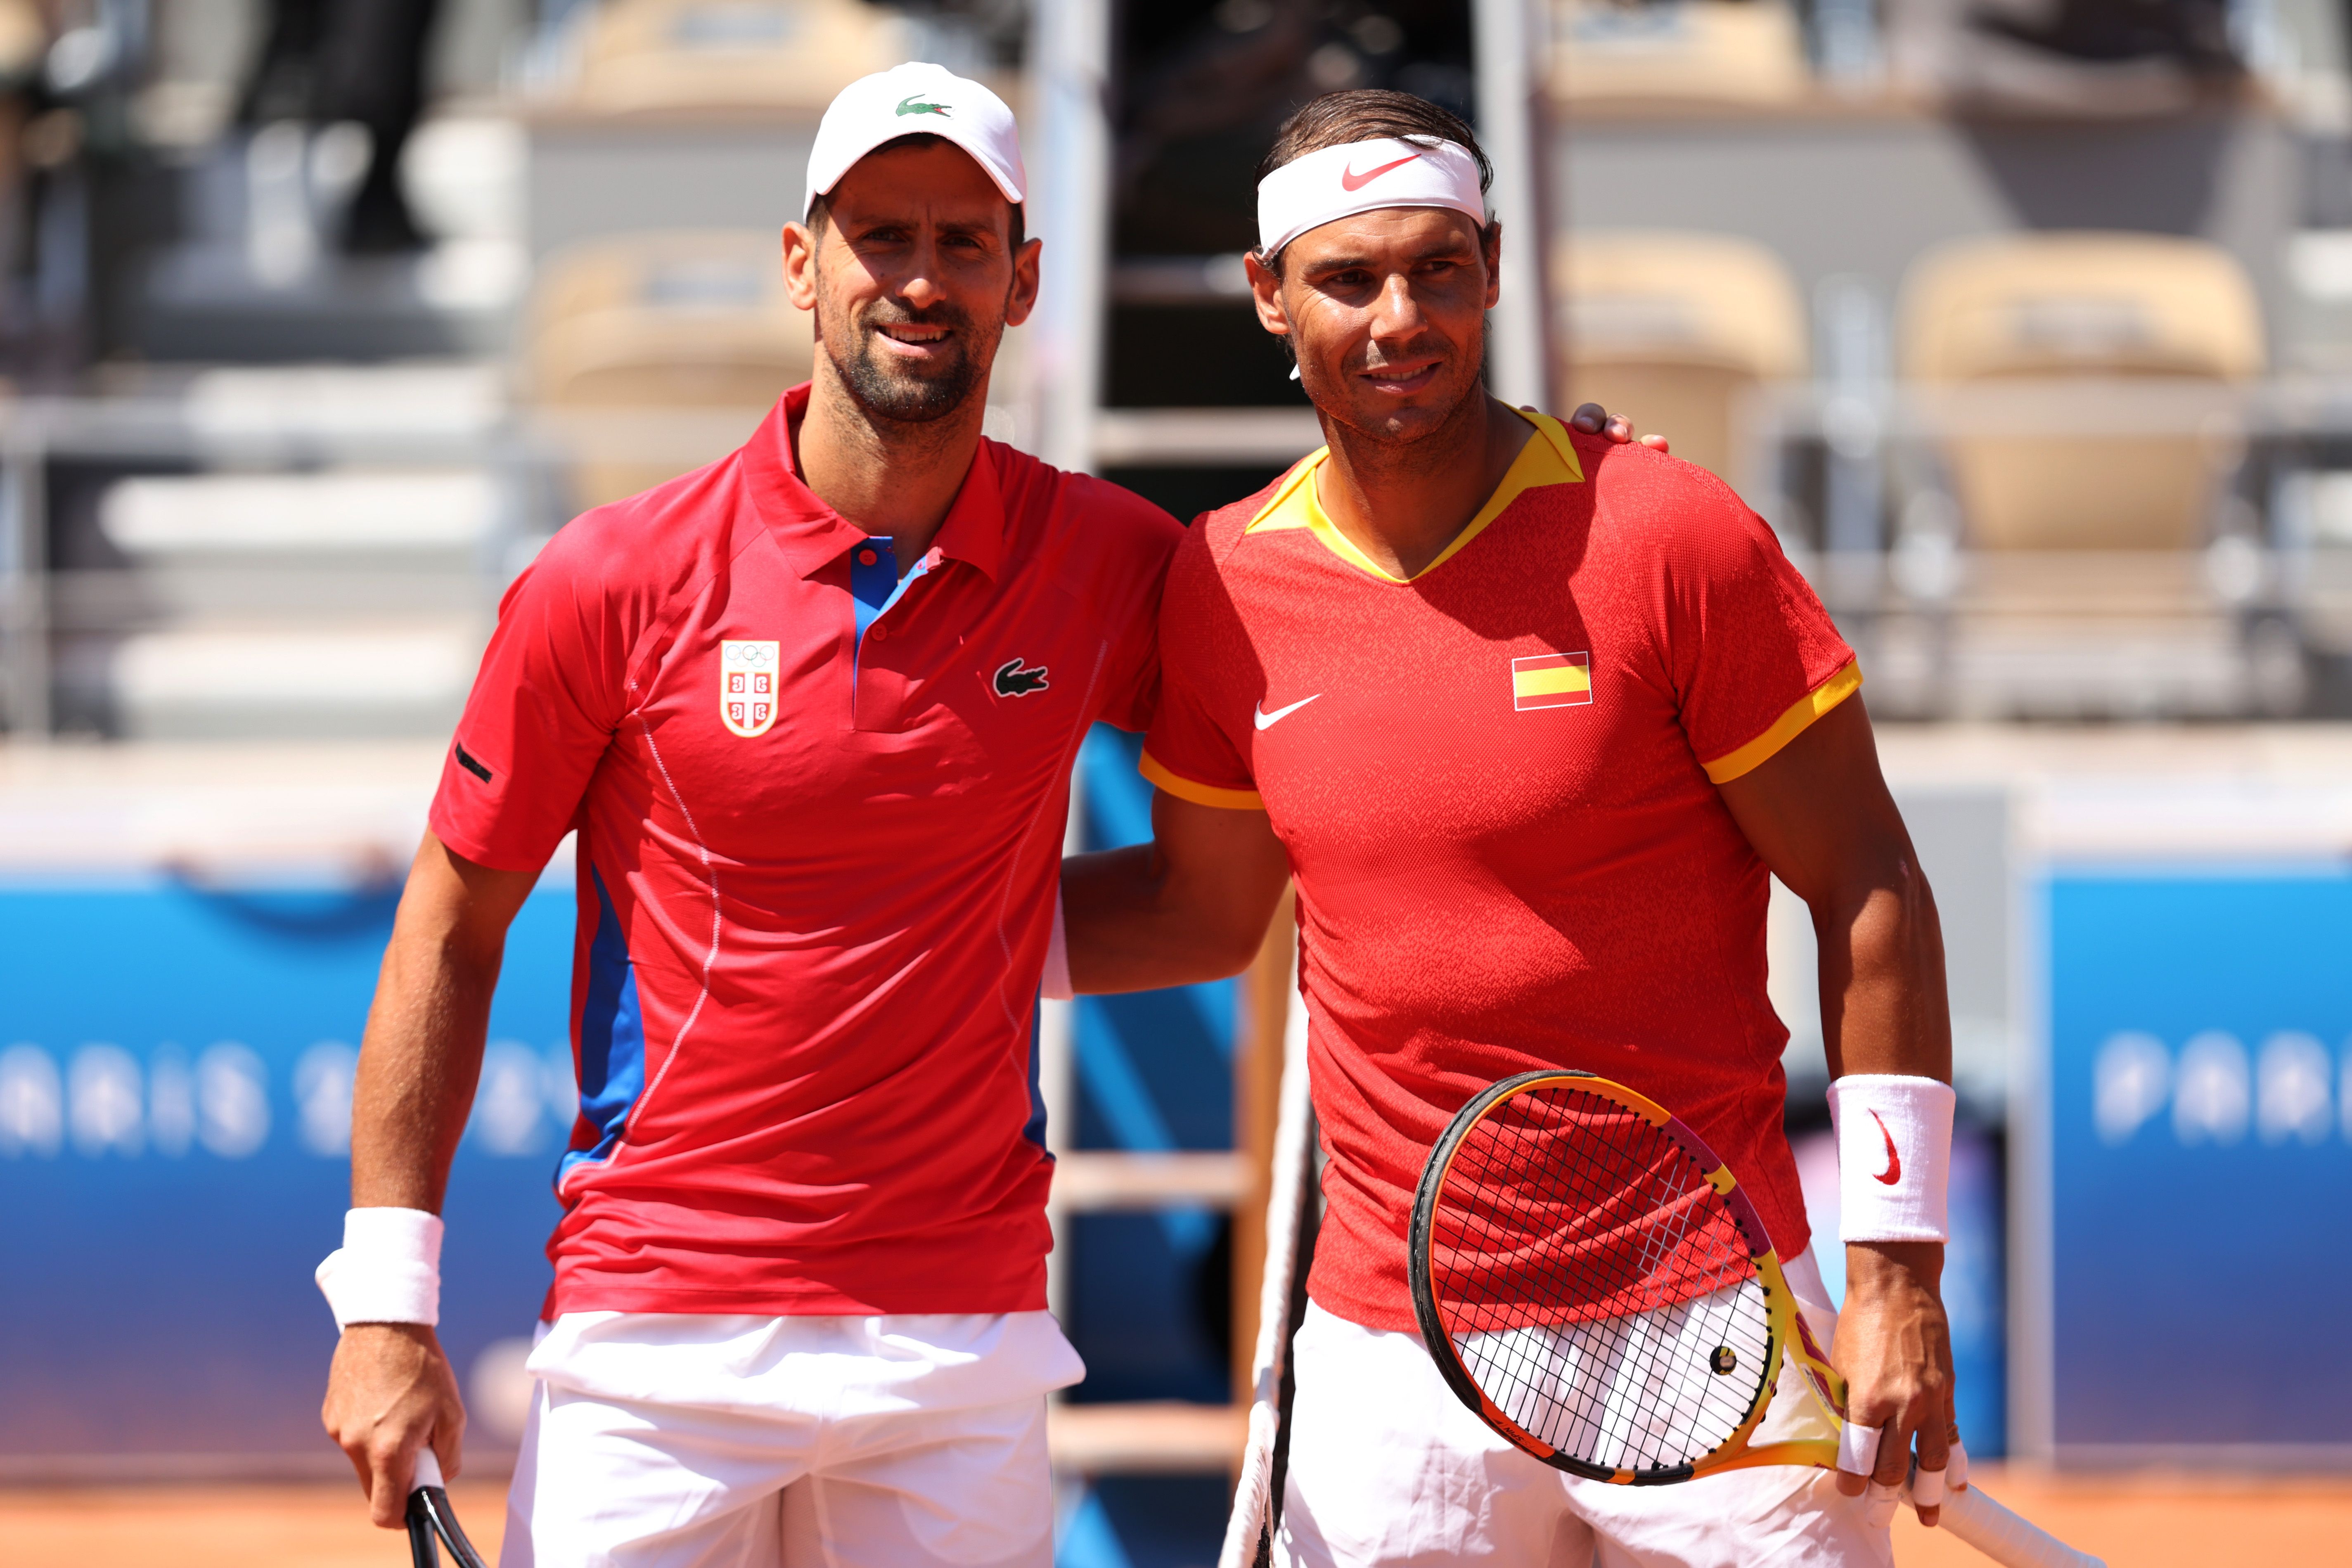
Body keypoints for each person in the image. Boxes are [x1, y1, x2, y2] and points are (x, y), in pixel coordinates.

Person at [309, 56, 1663, 1568]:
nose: (921, 278)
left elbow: (1351, 666)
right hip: (655, 1338)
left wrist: (1552, 507)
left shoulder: (1111, 558)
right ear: (801, 266)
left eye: (965, 243)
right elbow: (448, 924)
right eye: (881, 235)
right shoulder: (608, 582)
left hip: (963, 1346)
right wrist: (384, 1303)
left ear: (1024, 284)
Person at [1062, 89, 1959, 1568]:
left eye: (1440, 268)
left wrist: (1897, 1277)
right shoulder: (1221, 589)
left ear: (1492, 267)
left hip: (1710, 1311)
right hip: (1390, 1354)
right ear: (1270, 299)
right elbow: (1196, 913)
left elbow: (1870, 887)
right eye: (1348, 279)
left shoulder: (1672, 534)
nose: (1400, 316)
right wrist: (890, 936)